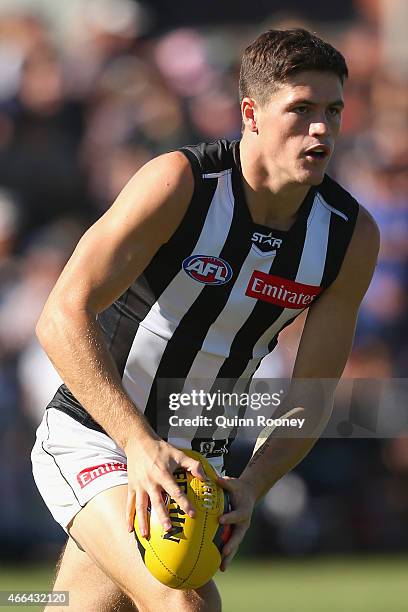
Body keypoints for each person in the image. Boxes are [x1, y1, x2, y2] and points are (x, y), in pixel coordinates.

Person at [31, 28, 379, 612]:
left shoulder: (349, 235)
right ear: (251, 114)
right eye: (301, 109)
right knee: (186, 604)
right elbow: (61, 315)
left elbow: (312, 394)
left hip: (200, 467)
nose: (322, 128)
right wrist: (137, 444)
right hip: (97, 436)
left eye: (333, 111)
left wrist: (255, 483)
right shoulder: (180, 183)